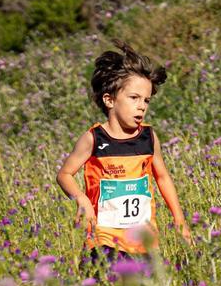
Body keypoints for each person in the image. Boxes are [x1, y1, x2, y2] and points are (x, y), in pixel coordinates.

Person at [55, 42, 191, 267]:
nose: (141, 106)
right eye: (134, 98)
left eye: (146, 100)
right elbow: (64, 174)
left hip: (143, 239)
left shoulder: (149, 137)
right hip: (104, 237)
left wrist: (179, 218)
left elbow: (163, 177)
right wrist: (81, 199)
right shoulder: (94, 138)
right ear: (109, 100)